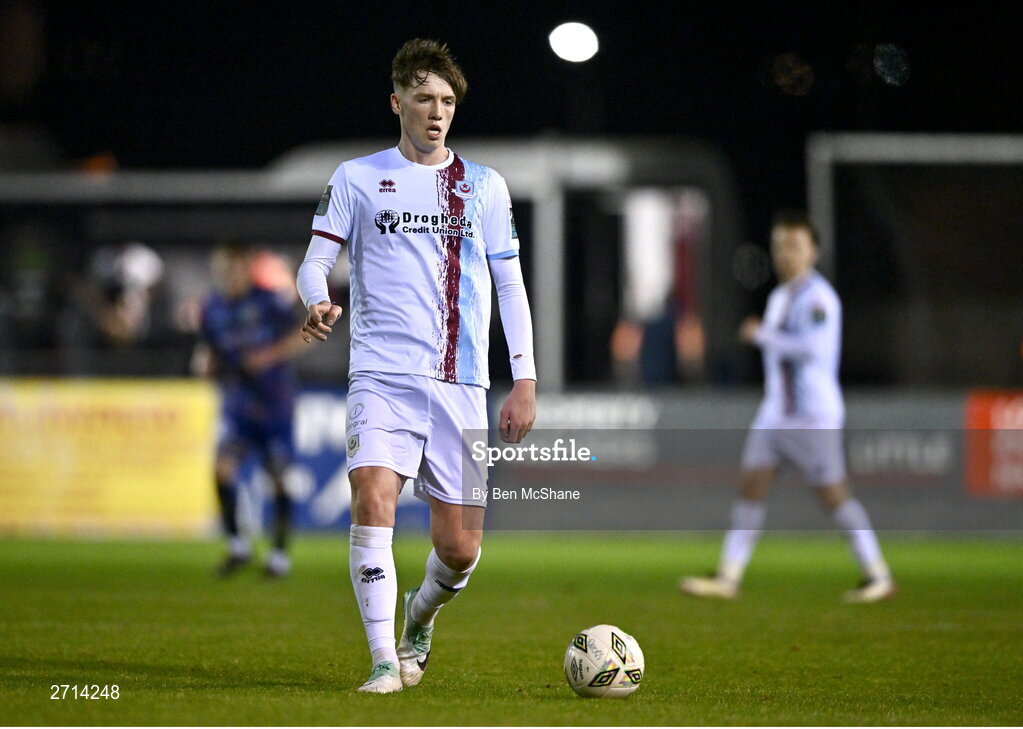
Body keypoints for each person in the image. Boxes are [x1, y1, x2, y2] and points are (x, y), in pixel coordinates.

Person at [296, 39, 536, 693]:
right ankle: (380, 660)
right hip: (380, 374)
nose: (437, 112)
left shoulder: (483, 186)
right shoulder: (354, 177)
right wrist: (315, 298)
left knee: (459, 549)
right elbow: (315, 259)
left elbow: (509, 285)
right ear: (396, 100)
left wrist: (524, 379)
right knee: (372, 495)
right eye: (425, 98)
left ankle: (417, 617)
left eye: (448, 101)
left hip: (462, 384)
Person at [680, 211, 895, 603]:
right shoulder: (781, 296)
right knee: (751, 488)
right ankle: (729, 576)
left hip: (812, 416)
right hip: (776, 412)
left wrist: (760, 335)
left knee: (833, 494)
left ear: (813, 251)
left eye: (795, 246)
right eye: (780, 245)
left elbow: (811, 349)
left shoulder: (819, 299)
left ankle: (878, 574)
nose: (786, 254)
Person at [194, 243, 306, 578]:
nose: (227, 276)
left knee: (279, 480)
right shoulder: (212, 308)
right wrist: (207, 365)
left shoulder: (268, 301)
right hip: (240, 404)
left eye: (232, 269)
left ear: (244, 269)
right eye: (222, 271)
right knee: (222, 470)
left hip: (274, 403)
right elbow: (211, 348)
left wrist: (268, 356)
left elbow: (304, 334)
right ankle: (237, 546)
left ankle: (279, 555)